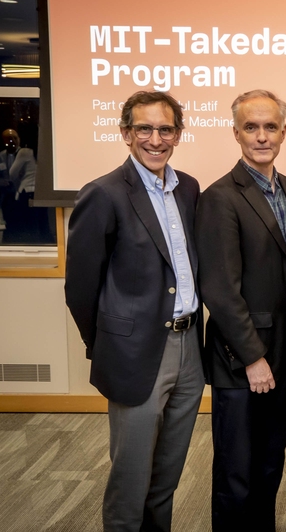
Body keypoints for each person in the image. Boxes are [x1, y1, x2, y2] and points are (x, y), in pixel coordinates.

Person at [65, 90, 205, 532]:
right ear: (126, 133)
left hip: (189, 349)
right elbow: (80, 288)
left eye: (165, 129)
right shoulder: (103, 194)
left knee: (167, 475)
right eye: (144, 128)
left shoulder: (188, 188)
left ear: (178, 135)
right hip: (135, 353)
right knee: (131, 478)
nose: (155, 139)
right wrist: (109, 345)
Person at [195, 89, 286, 532]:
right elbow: (220, 290)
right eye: (251, 127)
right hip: (241, 358)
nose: (261, 136)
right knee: (236, 472)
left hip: (284, 350)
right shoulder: (220, 197)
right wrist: (252, 357)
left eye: (270, 127)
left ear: (283, 132)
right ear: (236, 133)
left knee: (269, 462)